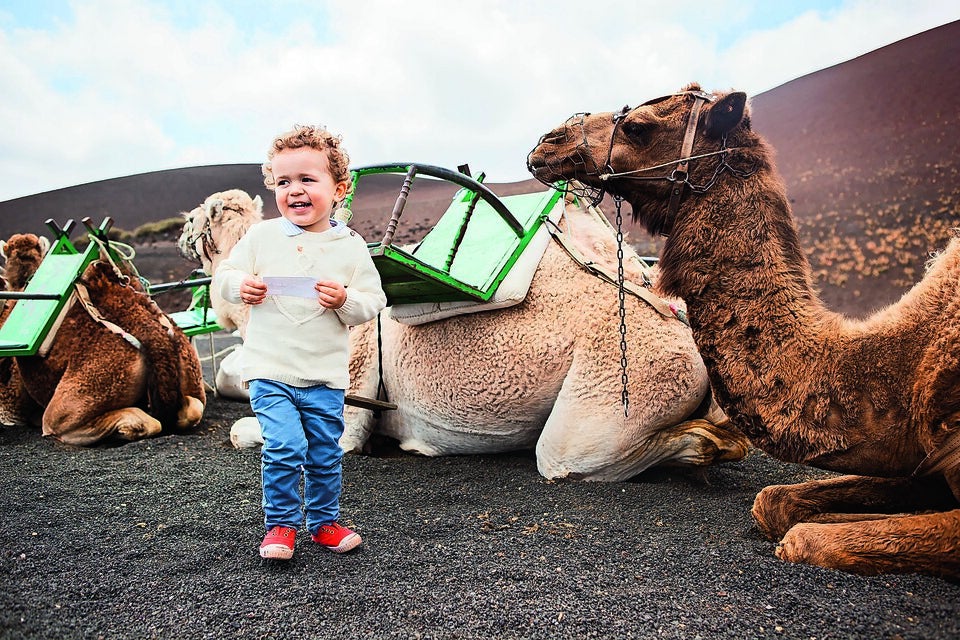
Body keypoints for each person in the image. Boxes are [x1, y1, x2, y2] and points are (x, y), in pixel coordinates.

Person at [215, 124, 386, 560]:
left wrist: (346, 300)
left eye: (307, 180)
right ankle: (281, 526)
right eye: (283, 181)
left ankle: (324, 522)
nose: (294, 191)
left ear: (339, 188)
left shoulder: (350, 246)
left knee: (326, 452)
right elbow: (226, 275)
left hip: (324, 375)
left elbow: (373, 300)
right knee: (286, 446)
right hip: (270, 369)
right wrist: (241, 287)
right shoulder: (261, 238)